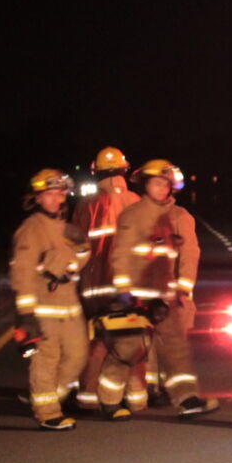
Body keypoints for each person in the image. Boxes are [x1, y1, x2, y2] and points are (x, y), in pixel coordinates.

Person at [99, 158, 220, 417]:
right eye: (156, 183)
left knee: (177, 350)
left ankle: (187, 399)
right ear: (146, 185)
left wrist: (183, 289)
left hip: (166, 298)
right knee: (128, 348)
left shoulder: (178, 217)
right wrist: (124, 290)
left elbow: (189, 254)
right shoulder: (132, 215)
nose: (162, 188)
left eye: (166, 184)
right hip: (137, 295)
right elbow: (120, 254)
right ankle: (109, 399)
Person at [10, 169, 91, 430]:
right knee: (47, 360)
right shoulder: (30, 229)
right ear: (37, 198)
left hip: (70, 308)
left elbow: (79, 259)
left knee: (78, 357)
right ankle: (47, 413)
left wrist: (78, 255)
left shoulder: (65, 228)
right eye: (50, 194)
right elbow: (21, 271)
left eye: (60, 193)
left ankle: (46, 398)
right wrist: (25, 314)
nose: (56, 199)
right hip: (44, 308)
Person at [72, 146, 147, 417]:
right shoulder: (138, 202)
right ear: (124, 171)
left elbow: (75, 247)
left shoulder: (86, 205)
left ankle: (88, 397)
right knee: (131, 340)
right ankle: (132, 398)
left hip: (93, 288)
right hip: (127, 287)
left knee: (97, 341)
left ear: (97, 174)